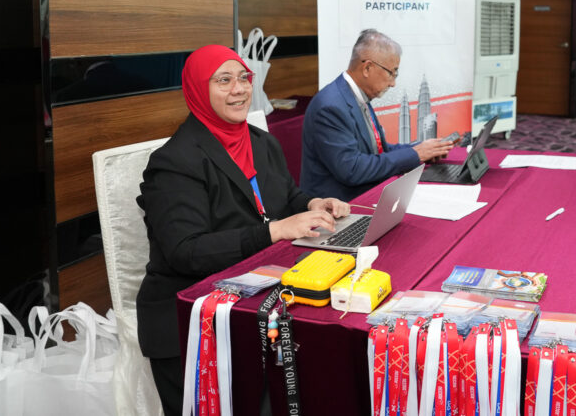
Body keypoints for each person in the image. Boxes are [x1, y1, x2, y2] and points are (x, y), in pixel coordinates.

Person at [136, 45, 350, 416]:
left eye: (243, 78)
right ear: (198, 89)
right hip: (189, 314)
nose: (239, 89)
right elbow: (186, 252)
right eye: (223, 80)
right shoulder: (174, 162)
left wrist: (314, 204)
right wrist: (275, 231)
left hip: (254, 290)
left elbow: (287, 196)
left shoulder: (261, 141)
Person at [300, 29, 454, 201]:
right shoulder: (330, 107)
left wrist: (423, 149)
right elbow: (352, 169)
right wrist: (415, 154)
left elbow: (379, 150)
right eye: (391, 73)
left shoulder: (357, 96)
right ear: (367, 68)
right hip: (337, 206)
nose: (393, 83)